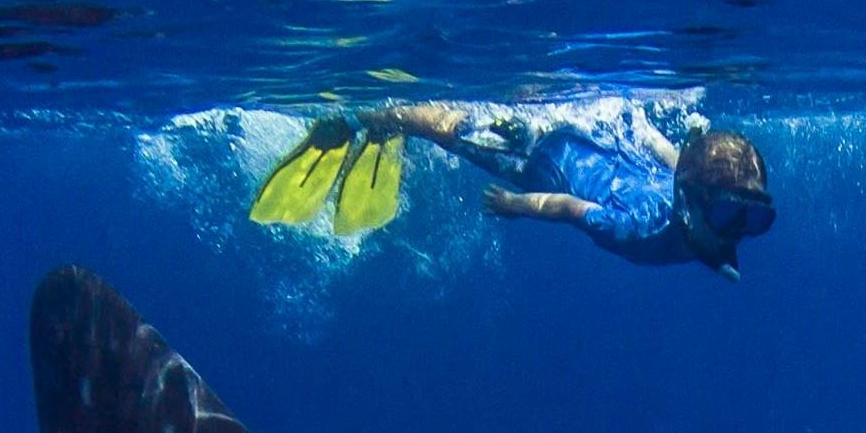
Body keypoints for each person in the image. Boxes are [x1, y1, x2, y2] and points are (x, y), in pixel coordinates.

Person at [249, 91, 775, 275]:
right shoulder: (636, 230)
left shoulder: (689, 189)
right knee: (448, 131)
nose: (739, 233)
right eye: (732, 217)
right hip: (542, 160)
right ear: (688, 200)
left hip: (596, 139)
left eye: (755, 219)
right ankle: (371, 114)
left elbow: (673, 155)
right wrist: (518, 204)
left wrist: (639, 126)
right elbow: (569, 208)